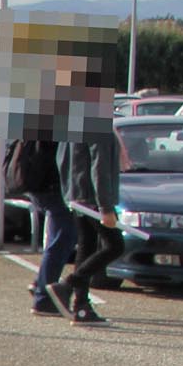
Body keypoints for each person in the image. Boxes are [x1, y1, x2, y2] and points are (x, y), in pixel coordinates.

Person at [44, 133, 124, 324]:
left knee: (86, 247)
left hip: (78, 196)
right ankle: (67, 285)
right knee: (115, 246)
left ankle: (81, 307)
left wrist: (70, 194)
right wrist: (105, 207)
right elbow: (100, 165)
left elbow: (61, 160)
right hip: (93, 199)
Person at [5, 136, 74, 314]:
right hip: (50, 186)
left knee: (56, 238)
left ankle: (41, 284)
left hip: (38, 185)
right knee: (62, 239)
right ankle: (43, 298)